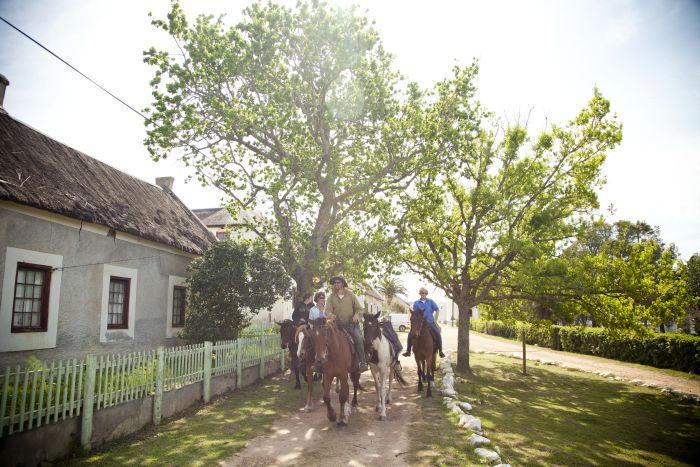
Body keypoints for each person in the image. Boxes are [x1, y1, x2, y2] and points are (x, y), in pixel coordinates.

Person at [325, 276, 368, 372]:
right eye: (335, 283)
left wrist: (357, 316)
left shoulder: (350, 295)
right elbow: (327, 310)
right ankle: (321, 362)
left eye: (338, 282)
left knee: (358, 338)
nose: (336, 284)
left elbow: (359, 309)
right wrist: (330, 315)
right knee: (324, 339)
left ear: (343, 284)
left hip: (351, 325)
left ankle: (362, 362)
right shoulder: (331, 297)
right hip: (337, 326)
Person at [403, 287, 445, 358]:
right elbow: (415, 313)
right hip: (420, 324)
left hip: (430, 322)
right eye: (422, 293)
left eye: (426, 293)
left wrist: (435, 319)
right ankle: (408, 351)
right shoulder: (416, 303)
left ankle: (440, 351)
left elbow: (437, 309)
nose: (424, 294)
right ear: (420, 294)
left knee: (437, 333)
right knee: (410, 335)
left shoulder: (431, 301)